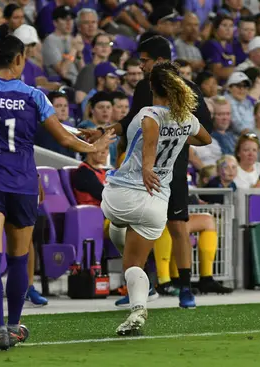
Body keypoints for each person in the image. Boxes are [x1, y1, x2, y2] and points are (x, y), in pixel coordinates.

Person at [0, 24, 113, 350]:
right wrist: (96, 146)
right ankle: (14, 324)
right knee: (20, 259)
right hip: (22, 184)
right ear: (20, 59)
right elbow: (64, 139)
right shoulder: (34, 96)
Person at [81, 36, 213, 310]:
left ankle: (185, 288)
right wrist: (105, 131)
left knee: (178, 226)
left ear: (160, 60)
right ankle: (141, 285)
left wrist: (172, 139)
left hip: (168, 169)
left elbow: (204, 126)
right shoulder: (145, 87)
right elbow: (132, 119)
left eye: (144, 60)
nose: (140, 66)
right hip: (143, 168)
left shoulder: (189, 89)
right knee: (132, 226)